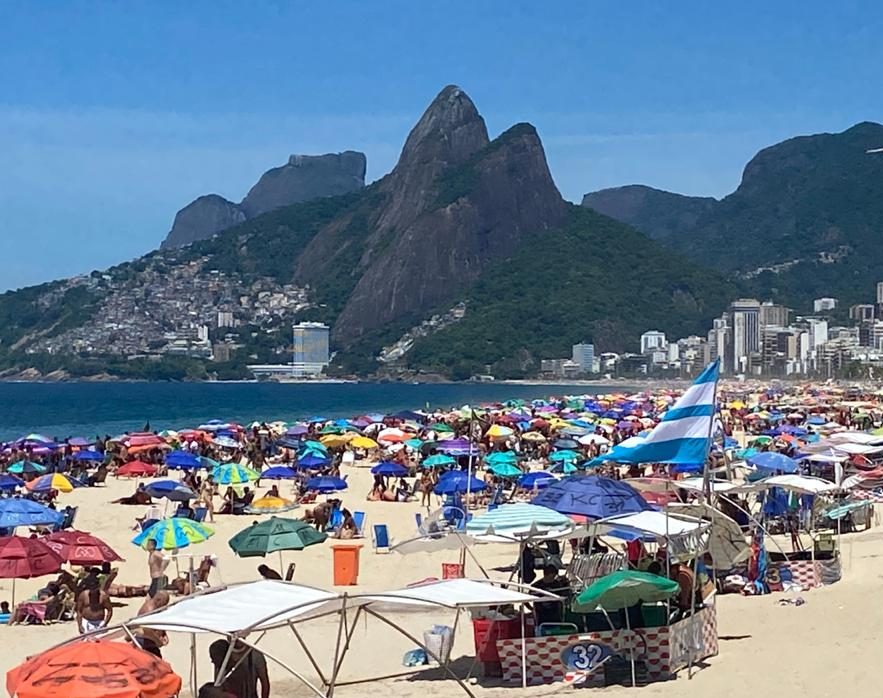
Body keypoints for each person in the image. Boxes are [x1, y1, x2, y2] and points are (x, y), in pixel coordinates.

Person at [133, 591, 170, 657]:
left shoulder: (157, 607)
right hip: (145, 642)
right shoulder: (149, 611)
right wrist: (158, 641)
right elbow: (147, 631)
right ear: (159, 600)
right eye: (164, 604)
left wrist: (164, 634)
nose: (165, 606)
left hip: (152, 640)